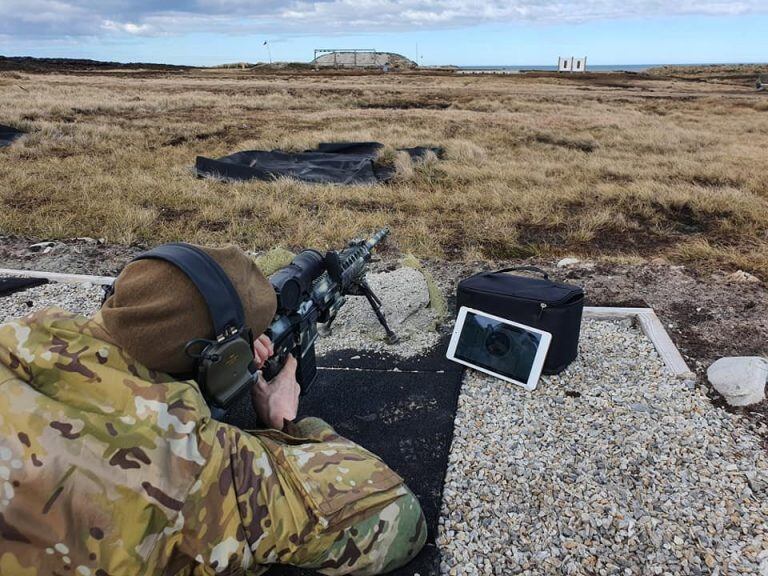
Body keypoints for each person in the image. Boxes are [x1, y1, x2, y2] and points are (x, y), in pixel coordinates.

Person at [0, 244, 426, 575]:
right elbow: (398, 523)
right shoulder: (190, 459)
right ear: (215, 362)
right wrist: (288, 424)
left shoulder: (26, 332)